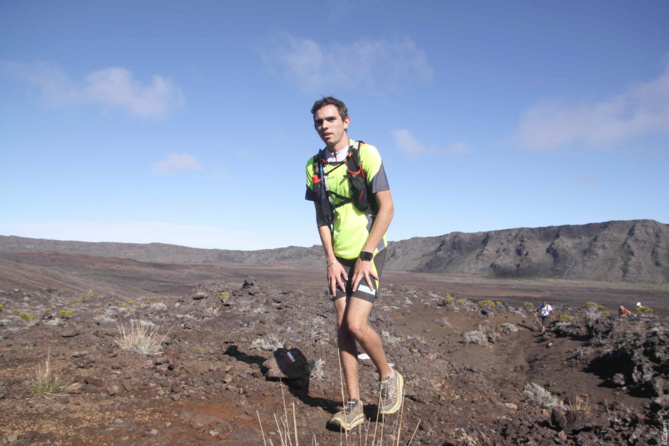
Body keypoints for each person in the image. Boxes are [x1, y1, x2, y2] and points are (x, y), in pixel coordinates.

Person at [305, 96, 403, 431]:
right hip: (339, 259)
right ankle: (353, 405)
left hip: (369, 252)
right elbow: (321, 218)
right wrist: (330, 260)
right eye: (319, 122)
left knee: (356, 324)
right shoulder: (313, 166)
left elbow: (387, 208)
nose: (324, 126)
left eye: (330, 119)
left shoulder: (366, 154)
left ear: (346, 121)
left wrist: (366, 255)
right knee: (342, 327)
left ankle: (388, 376)